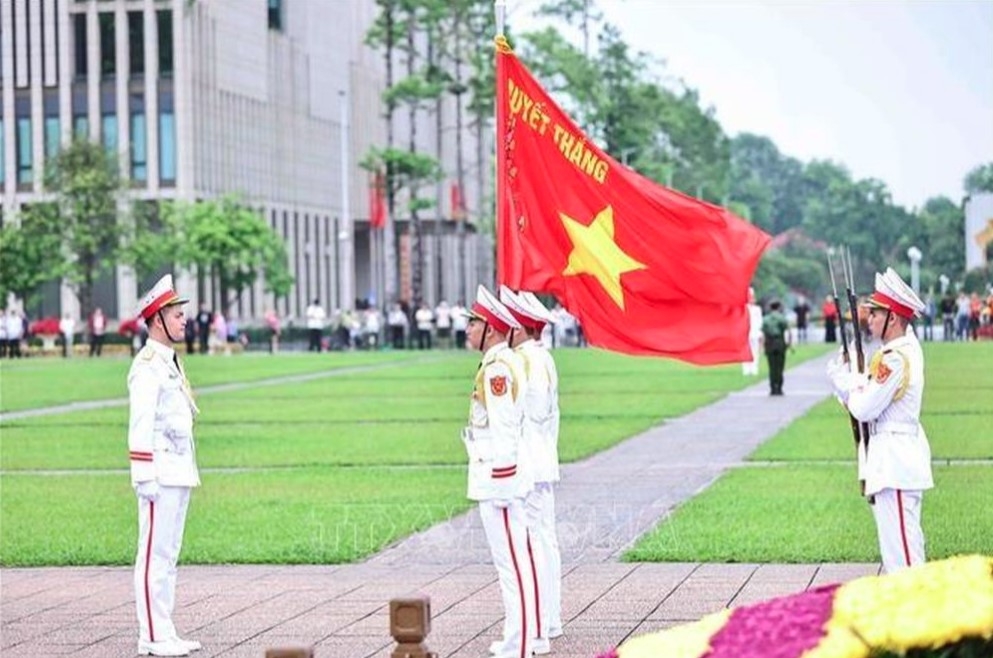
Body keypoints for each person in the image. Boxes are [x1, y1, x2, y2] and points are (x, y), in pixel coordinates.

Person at [827, 267, 932, 574]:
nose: (868, 319)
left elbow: (864, 407)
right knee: (897, 548)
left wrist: (845, 383)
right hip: (893, 457)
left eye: (875, 313)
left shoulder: (895, 358)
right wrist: (851, 383)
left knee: (903, 555)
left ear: (893, 318)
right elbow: (868, 396)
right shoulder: (897, 352)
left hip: (895, 460)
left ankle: (919, 614)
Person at [127, 274, 201, 656]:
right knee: (153, 556)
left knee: (168, 556)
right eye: (176, 314)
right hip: (158, 474)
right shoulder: (147, 366)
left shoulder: (168, 362)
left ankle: (165, 629)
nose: (183, 320)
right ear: (158, 319)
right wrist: (143, 475)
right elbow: (140, 423)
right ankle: (151, 636)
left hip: (178, 470)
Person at [462, 285, 536, 658]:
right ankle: (515, 637)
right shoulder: (499, 363)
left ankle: (520, 644)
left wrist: (503, 481)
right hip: (495, 474)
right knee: (510, 561)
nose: (467, 330)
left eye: (473, 323)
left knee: (512, 563)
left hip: (499, 477)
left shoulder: (497, 369)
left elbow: (505, 426)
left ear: (489, 328)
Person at [500, 286, 562, 652]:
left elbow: (529, 411)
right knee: (543, 540)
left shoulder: (527, 360)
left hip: (529, 462)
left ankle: (542, 620)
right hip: (540, 458)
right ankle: (548, 616)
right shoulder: (541, 357)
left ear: (520, 327)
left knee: (535, 542)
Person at [761, 299, 790, 395]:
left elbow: (763, 334)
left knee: (772, 367)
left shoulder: (766, 319)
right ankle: (780, 387)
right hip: (780, 343)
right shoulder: (782, 318)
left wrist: (763, 346)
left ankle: (773, 388)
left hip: (769, 343)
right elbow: (787, 332)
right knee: (780, 366)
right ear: (779, 307)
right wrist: (788, 344)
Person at [743, 287, 763, 376]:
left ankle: (754, 368)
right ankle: (746, 369)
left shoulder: (757, 309)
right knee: (745, 352)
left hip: (755, 332)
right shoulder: (743, 309)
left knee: (755, 351)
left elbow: (760, 321)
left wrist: (760, 333)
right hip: (745, 333)